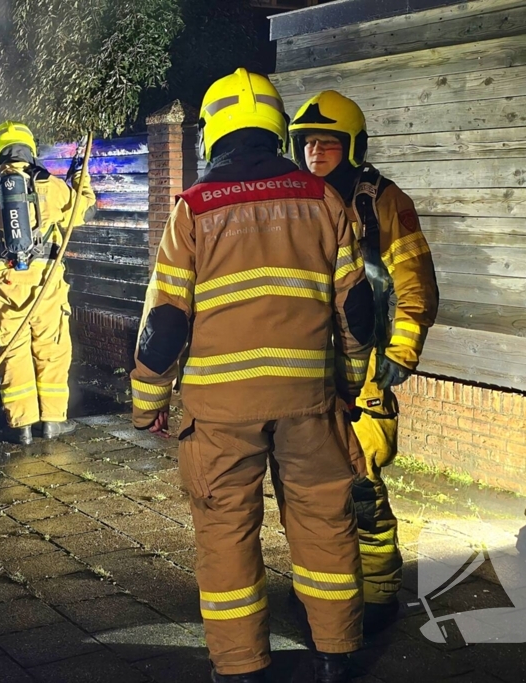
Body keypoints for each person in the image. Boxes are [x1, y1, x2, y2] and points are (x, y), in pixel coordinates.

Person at [129, 68, 375, 683]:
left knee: (225, 532)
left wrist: (146, 403)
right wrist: (346, 388)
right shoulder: (324, 201)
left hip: (220, 414)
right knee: (325, 520)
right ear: (276, 130)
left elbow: (164, 323)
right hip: (308, 402)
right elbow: (357, 312)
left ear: (212, 132)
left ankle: (240, 668)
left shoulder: (192, 210)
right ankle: (338, 655)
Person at [287, 90, 439, 632]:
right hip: (306, 361)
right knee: (304, 482)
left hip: (366, 357)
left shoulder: (383, 202)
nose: (316, 152)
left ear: (353, 145)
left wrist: (401, 349)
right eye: (307, 142)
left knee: (361, 479)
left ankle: (377, 592)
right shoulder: (296, 200)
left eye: (329, 142)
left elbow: (414, 282)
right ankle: (321, 589)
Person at [0, 121, 96, 446]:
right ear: (29, 149)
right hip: (46, 281)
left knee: (12, 350)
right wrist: (81, 181)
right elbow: (84, 213)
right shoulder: (50, 184)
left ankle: (22, 426)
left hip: (3, 281)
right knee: (51, 349)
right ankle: (51, 422)